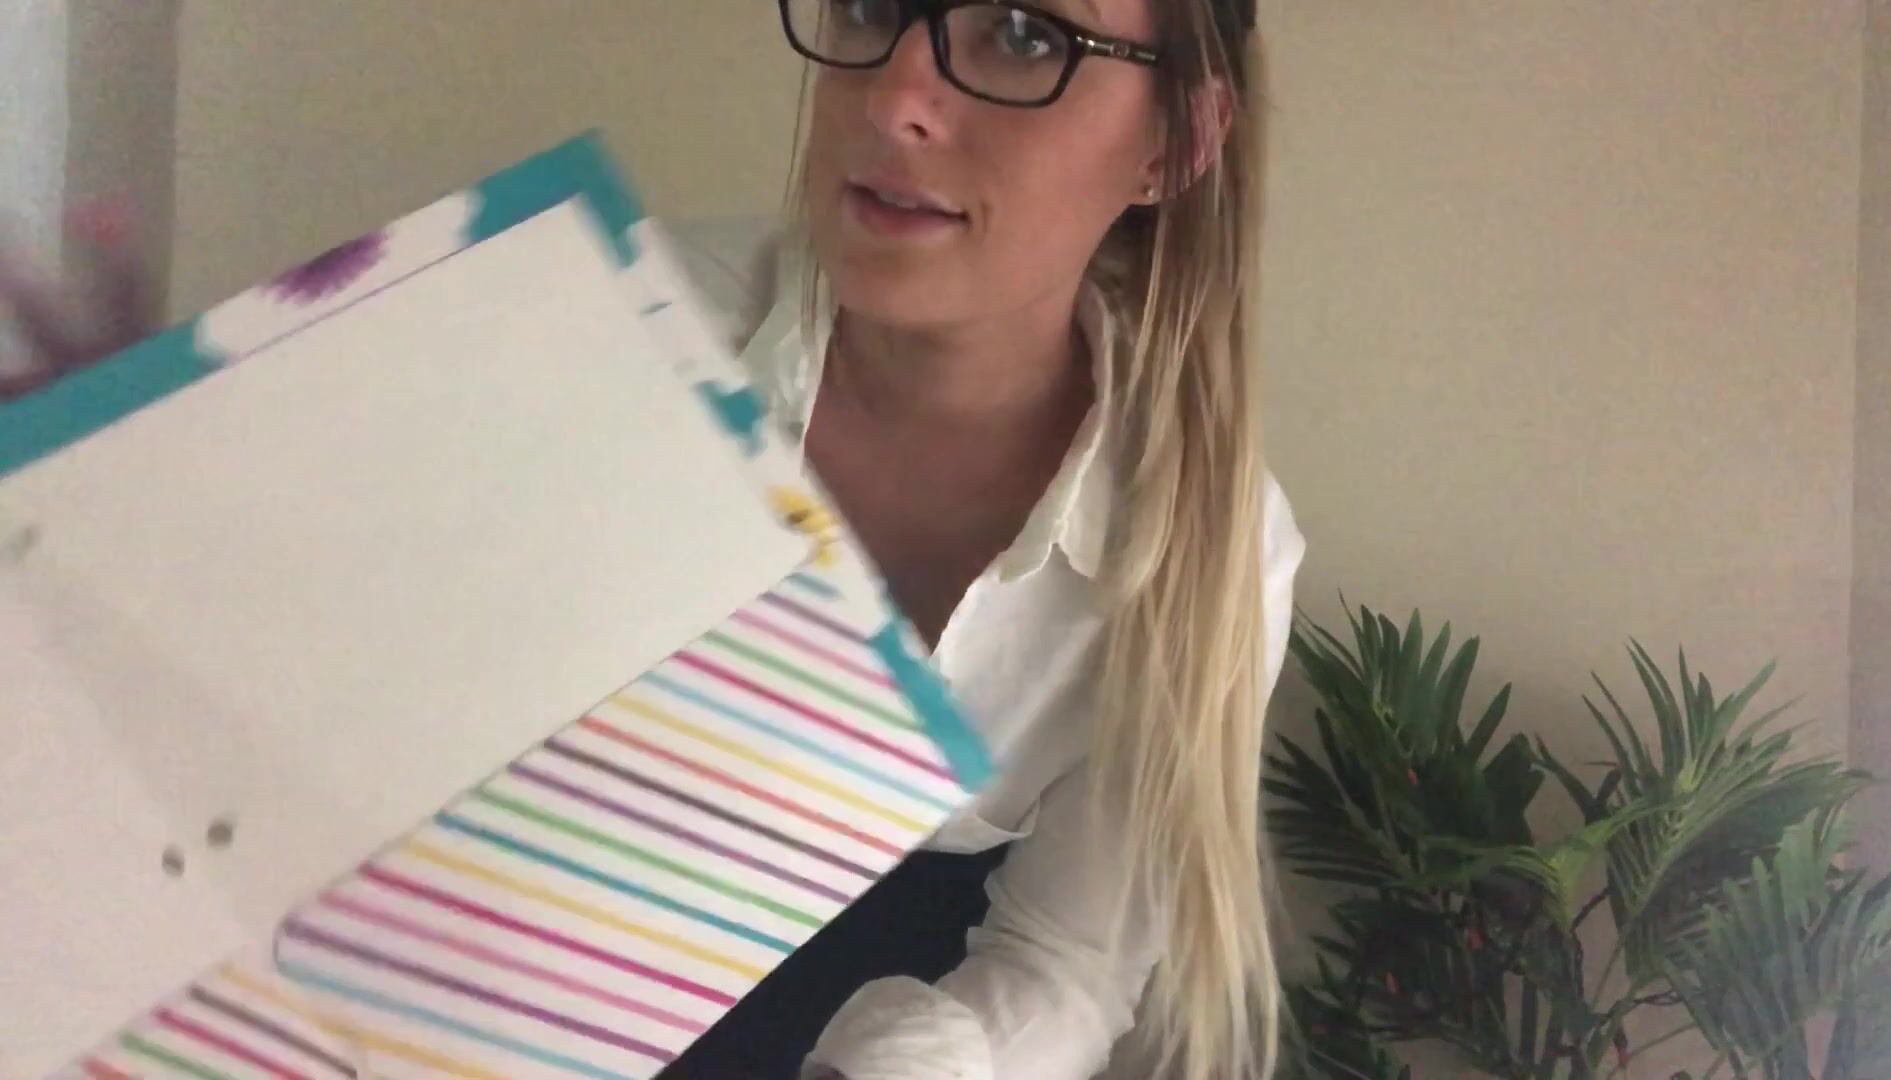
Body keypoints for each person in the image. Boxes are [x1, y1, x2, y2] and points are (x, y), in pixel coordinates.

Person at [0, 0, 1303, 1076]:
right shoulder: (605, 326)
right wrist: (120, 541)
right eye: (870, 7)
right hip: (480, 974)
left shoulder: (1211, 552)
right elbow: (317, 723)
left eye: (1023, 34)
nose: (898, 94)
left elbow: (1064, 965)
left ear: (1176, 140)